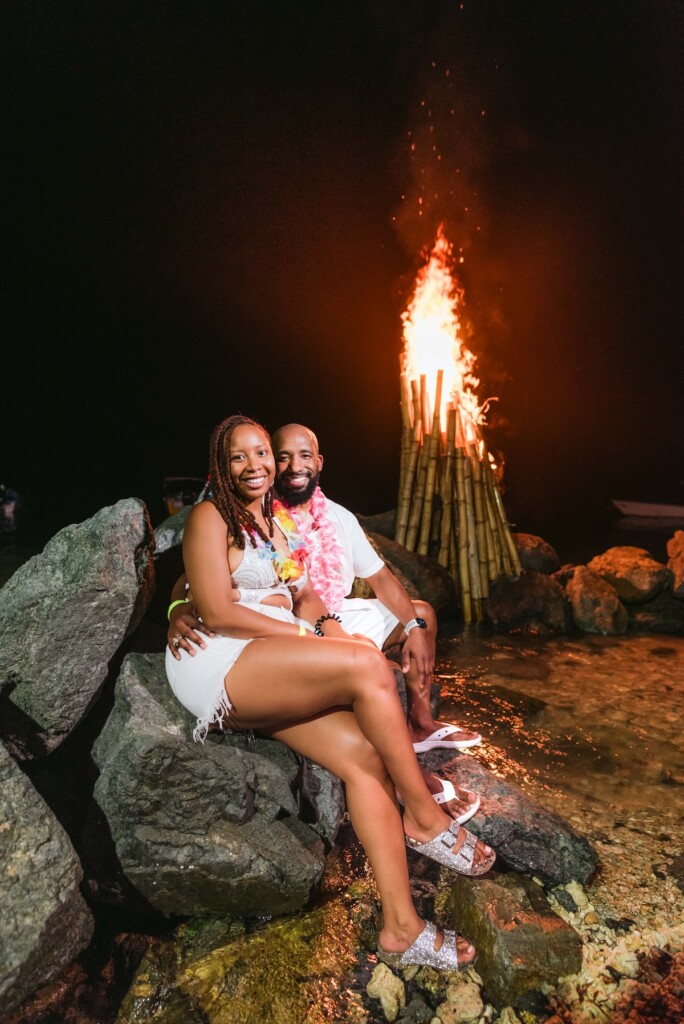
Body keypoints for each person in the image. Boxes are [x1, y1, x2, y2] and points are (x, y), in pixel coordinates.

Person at [165, 413, 495, 971]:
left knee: (366, 758)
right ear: (221, 467)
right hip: (215, 662)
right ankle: (422, 812)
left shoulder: (279, 527)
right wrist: (186, 610)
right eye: (239, 457)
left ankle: (401, 928)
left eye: (260, 454)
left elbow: (309, 599)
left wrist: (320, 629)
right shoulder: (208, 518)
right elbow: (217, 608)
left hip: (267, 663)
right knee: (367, 668)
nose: (255, 465)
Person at [169, 422, 483, 823]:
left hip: (327, 613)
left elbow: (363, 583)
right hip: (280, 628)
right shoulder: (247, 508)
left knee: (417, 617)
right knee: (368, 668)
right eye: (281, 456)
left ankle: (419, 727)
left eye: (303, 456)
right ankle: (413, 785)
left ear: (319, 462)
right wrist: (177, 607)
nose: (290, 465)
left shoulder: (334, 517)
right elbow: (198, 578)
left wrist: (412, 628)